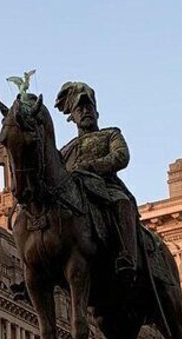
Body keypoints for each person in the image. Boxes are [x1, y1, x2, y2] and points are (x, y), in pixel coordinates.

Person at [54, 81, 139, 283]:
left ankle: (127, 255)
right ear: (72, 117)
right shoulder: (65, 150)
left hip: (106, 187)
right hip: (75, 194)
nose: (85, 111)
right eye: (80, 108)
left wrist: (91, 167)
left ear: (97, 112)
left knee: (122, 203)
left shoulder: (110, 134)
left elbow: (121, 157)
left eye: (89, 107)